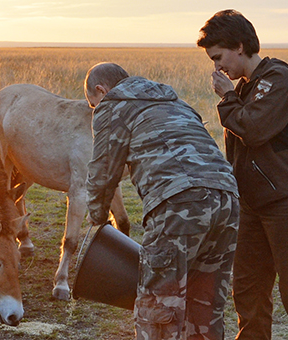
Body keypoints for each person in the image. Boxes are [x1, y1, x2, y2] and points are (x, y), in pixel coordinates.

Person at [197, 9, 288, 340]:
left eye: (218, 57)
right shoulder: (247, 88)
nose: (217, 67)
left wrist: (227, 97)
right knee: (248, 293)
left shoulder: (277, 79)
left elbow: (254, 129)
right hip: (253, 205)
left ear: (239, 45)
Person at [84, 62, 240, 339]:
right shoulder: (175, 101)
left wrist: (97, 222)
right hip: (227, 199)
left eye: (93, 104)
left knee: (157, 308)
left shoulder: (113, 104)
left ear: (101, 90)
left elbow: (102, 173)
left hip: (179, 205)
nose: (96, 109)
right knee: (205, 306)